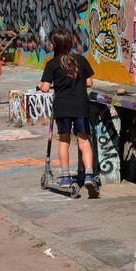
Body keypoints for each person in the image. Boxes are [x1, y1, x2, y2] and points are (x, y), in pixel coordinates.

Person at [38, 27, 99, 196]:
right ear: (71, 42)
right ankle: (88, 174)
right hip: (80, 105)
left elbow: (45, 87)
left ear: (55, 45)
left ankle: (65, 176)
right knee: (84, 141)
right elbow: (89, 82)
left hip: (63, 107)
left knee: (64, 141)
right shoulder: (80, 60)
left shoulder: (52, 64)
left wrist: (41, 85)